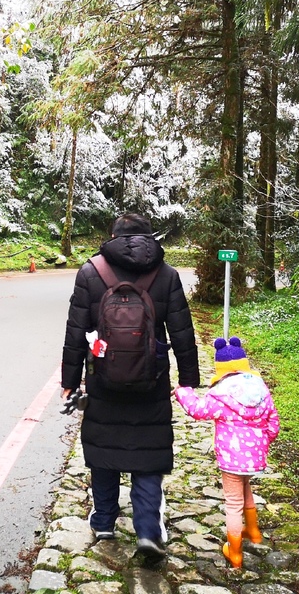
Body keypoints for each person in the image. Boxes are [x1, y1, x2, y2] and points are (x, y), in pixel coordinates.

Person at [61, 212, 200, 562]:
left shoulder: (91, 271)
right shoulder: (167, 275)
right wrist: (188, 382)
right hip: (151, 382)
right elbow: (183, 332)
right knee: (148, 457)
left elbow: (76, 331)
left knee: (103, 452)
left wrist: (69, 381)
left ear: (112, 236)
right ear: (148, 238)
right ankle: (148, 531)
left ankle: (105, 521)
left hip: (103, 382)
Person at [173, 336, 280, 568]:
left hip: (232, 459)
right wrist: (263, 441)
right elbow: (273, 423)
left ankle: (235, 552)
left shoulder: (220, 393)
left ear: (219, 368)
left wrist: (184, 392)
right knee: (246, 487)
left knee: (233, 502)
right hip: (255, 456)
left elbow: (197, 410)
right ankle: (253, 531)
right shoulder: (260, 388)